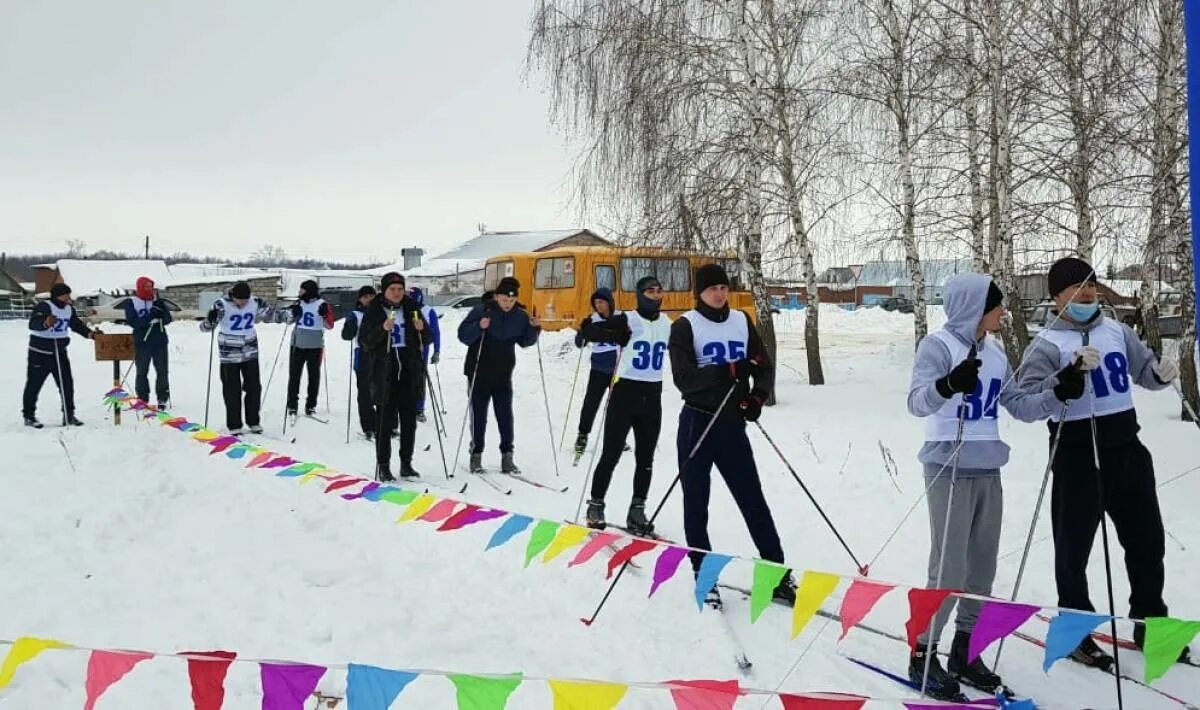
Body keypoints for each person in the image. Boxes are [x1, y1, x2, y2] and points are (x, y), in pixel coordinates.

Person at [1016, 256, 1188, 669]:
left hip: (1127, 449)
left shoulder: (1117, 330)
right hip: (1077, 454)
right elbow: (1022, 404)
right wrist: (1063, 384)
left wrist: (1161, 373)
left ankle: (1151, 624)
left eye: (1090, 286)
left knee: (1147, 544)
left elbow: (1142, 371)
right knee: (1074, 551)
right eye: (1075, 289)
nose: (1086, 294)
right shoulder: (1047, 345)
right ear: (1056, 298)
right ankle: (1075, 630)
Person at [905, 274, 1066, 699]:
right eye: (995, 306)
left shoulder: (994, 354)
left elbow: (1019, 404)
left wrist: (1057, 391)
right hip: (948, 468)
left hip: (988, 468)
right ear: (975, 308)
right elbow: (916, 400)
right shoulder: (937, 347)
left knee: (981, 568)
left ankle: (965, 648)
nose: (1002, 312)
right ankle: (922, 653)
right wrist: (948, 384)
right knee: (949, 568)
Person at [668, 263, 795, 606]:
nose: (720, 294)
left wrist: (756, 396)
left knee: (752, 499)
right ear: (700, 293)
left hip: (731, 425)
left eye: (724, 287)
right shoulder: (685, 326)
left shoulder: (741, 321)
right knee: (697, 503)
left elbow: (763, 364)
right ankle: (704, 575)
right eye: (713, 289)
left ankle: (776, 574)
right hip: (698, 422)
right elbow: (685, 378)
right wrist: (728, 371)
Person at [582, 276, 672, 537]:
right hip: (625, 393)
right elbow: (590, 331)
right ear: (640, 294)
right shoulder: (628, 319)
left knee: (645, 458)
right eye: (650, 291)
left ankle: (637, 509)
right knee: (610, 453)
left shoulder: (668, 324)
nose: (655, 295)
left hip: (652, 396)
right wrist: (609, 332)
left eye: (658, 290)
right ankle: (596, 503)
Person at [457, 277, 541, 474]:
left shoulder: (520, 316)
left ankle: (507, 456)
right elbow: (463, 335)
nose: (507, 304)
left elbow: (525, 341)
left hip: (503, 374)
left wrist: (534, 327)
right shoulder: (482, 311)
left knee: (505, 415)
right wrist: (479, 326)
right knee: (479, 415)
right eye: (504, 300)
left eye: (511, 301)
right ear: (497, 296)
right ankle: (476, 454)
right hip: (478, 372)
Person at [359, 272, 429, 482]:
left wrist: (422, 329)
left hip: (409, 371)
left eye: (400, 289)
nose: (397, 293)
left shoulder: (411, 307)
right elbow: (365, 342)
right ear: (384, 290)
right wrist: (382, 329)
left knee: (409, 422)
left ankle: (406, 464)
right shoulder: (374, 309)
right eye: (392, 289)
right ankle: (384, 466)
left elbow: (427, 338)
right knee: (384, 422)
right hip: (384, 373)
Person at [23, 283, 100, 428]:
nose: (69, 298)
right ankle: (29, 416)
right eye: (66, 295)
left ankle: (69, 415)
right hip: (39, 353)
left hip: (59, 352)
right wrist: (46, 323)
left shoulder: (68, 309)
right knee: (34, 385)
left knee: (66, 385)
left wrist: (90, 334)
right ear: (58, 296)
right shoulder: (45, 307)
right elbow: (33, 324)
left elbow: (76, 325)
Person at [200, 281, 267, 435]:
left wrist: (291, 313)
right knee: (232, 390)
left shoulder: (255, 302)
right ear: (233, 296)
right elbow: (204, 328)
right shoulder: (221, 304)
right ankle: (234, 424)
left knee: (254, 387)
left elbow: (272, 314)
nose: (243, 303)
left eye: (245, 300)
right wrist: (209, 320)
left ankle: (253, 421)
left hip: (250, 352)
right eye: (240, 300)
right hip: (229, 355)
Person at [572, 287, 620, 463]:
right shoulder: (592, 320)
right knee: (591, 403)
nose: (598, 306)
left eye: (601, 302)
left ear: (609, 302)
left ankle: (616, 438)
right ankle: (582, 435)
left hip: (618, 369)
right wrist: (581, 332)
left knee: (618, 406)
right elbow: (580, 344)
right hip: (599, 369)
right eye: (596, 303)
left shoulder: (620, 317)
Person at [285, 280, 335, 420]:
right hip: (297, 345)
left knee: (314, 377)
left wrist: (324, 315)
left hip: (315, 346)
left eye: (302, 290)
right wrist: (293, 313)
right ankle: (292, 405)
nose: (299, 292)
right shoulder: (298, 303)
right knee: (294, 376)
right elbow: (288, 321)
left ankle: (310, 405)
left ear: (309, 291)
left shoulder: (322, 304)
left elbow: (330, 325)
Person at [124, 276, 173, 409]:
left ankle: (162, 398)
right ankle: (142, 398)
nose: (149, 289)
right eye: (146, 287)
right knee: (141, 371)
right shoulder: (132, 302)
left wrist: (161, 314)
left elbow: (168, 319)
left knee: (162, 371)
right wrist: (150, 315)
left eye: (151, 287)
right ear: (139, 287)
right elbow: (133, 322)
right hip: (142, 342)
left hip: (160, 341)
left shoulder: (158, 301)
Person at [341, 285, 377, 439]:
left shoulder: (383, 312)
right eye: (365, 297)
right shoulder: (356, 314)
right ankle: (369, 426)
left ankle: (388, 424)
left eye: (371, 296)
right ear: (360, 299)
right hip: (362, 355)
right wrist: (349, 326)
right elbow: (346, 336)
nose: (369, 299)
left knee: (385, 390)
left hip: (382, 354)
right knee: (365, 392)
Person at [408, 287, 442, 423]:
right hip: (406, 348)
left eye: (414, 296)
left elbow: (436, 332)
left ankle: (419, 408)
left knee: (420, 377)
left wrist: (437, 351)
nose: (412, 299)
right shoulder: (404, 309)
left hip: (423, 348)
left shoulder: (428, 311)